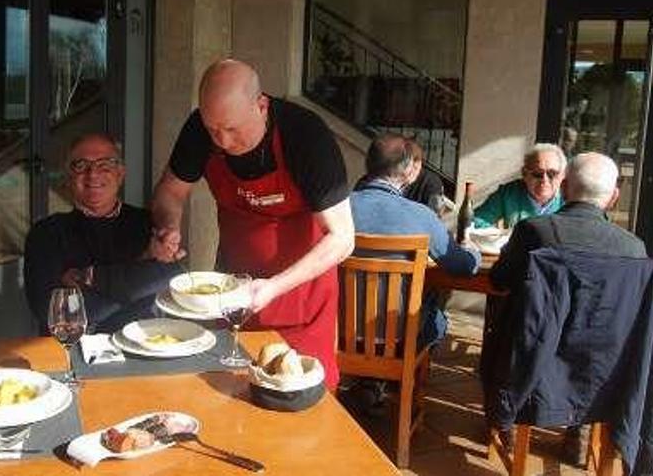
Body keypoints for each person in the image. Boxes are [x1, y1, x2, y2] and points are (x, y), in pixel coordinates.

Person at [151, 59, 355, 389]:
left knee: (299, 397)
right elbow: (170, 192)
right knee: (228, 391)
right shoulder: (202, 129)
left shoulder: (306, 136)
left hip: (301, 296)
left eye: (232, 129)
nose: (222, 142)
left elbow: (343, 238)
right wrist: (167, 226)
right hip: (232, 293)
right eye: (213, 130)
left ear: (261, 106)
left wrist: (273, 287)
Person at [488, 152, 647, 466]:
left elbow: (499, 279)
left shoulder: (535, 231)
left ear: (563, 189)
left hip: (537, 370)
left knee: (509, 330)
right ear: (614, 197)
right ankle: (579, 429)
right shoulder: (635, 250)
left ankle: (502, 418)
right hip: (609, 375)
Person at [24, 133, 180, 335]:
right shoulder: (46, 233)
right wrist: (139, 274)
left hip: (145, 346)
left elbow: (172, 278)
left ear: (120, 173)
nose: (93, 174)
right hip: (72, 351)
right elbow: (53, 313)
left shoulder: (147, 223)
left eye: (104, 164)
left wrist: (88, 278)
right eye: (81, 166)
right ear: (68, 177)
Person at [351, 133, 481, 346]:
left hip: (341, 330)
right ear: (409, 170)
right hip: (400, 337)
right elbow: (464, 266)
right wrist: (472, 250)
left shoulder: (337, 210)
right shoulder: (421, 216)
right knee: (438, 320)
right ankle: (403, 374)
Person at [474, 143, 567, 228]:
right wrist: (499, 237)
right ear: (524, 174)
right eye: (537, 173)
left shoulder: (570, 198)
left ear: (562, 175)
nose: (544, 180)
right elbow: (475, 221)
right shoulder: (509, 193)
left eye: (552, 173)